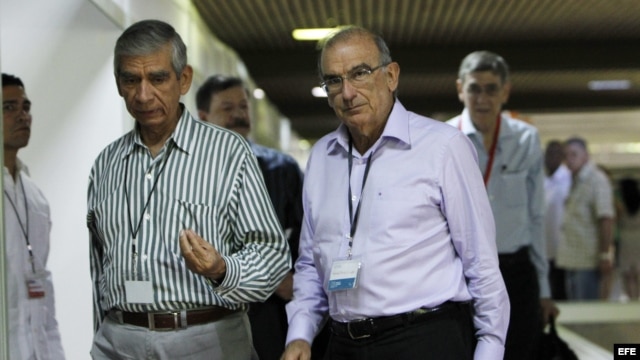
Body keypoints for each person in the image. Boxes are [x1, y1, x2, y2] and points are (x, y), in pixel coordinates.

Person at [283, 26, 510, 360]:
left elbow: (481, 262)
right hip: (341, 345)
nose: (347, 92)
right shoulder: (321, 157)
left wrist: (490, 348)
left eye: (359, 73)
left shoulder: (443, 148)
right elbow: (309, 263)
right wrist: (299, 335)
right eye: (333, 80)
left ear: (391, 75)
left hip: (423, 341)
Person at [87, 20, 291, 360]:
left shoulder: (228, 152)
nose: (143, 94)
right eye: (130, 80)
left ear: (183, 79)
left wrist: (222, 269)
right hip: (118, 342)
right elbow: (98, 269)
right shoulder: (106, 164)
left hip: (207, 341)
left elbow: (272, 255)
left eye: (157, 78)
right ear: (118, 84)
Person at [195, 75, 328, 360]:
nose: (239, 115)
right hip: (209, 310)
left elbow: (309, 233)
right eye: (227, 108)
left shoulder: (281, 168)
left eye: (243, 107)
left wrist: (291, 281)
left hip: (270, 310)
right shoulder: (190, 175)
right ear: (203, 117)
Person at [446, 51, 558, 360]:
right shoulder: (443, 140)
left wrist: (545, 290)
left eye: (491, 89)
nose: (482, 98)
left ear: (505, 91)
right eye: (474, 88)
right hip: (461, 274)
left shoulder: (526, 139)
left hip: (515, 272)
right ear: (460, 89)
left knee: (520, 352)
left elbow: (536, 217)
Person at [2, 73, 66, 359]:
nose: (22, 116)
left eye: (25, 107)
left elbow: (43, 286)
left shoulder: (35, 197)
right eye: (8, 108)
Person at [556, 137, 615, 300]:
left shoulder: (597, 180)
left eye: (574, 154)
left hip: (588, 261)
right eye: (566, 155)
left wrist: (605, 255)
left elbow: (606, 219)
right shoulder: (574, 180)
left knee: (587, 310)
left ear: (586, 156)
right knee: (576, 310)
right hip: (572, 259)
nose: (569, 160)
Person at [543, 140, 571, 300]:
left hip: (564, 247)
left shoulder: (569, 179)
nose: (551, 157)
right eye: (549, 153)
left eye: (556, 153)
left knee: (563, 291)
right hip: (546, 247)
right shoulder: (541, 179)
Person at [617, 177, 640, 300]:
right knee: (637, 272)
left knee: (628, 274)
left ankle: (632, 300)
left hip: (625, 240)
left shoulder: (619, 205)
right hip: (638, 239)